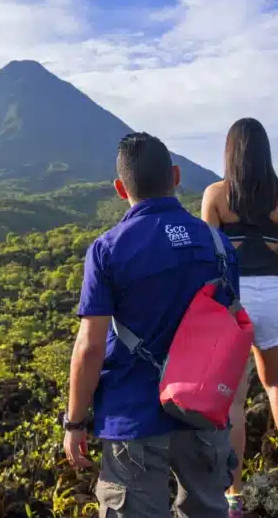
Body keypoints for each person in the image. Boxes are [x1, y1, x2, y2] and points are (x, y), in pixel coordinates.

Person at [63, 132, 240, 517]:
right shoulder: (217, 244)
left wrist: (75, 421)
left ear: (119, 188)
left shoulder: (108, 248)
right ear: (176, 176)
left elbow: (89, 346)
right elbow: (232, 333)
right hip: (204, 414)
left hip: (133, 414)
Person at [201, 117, 278, 518]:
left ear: (231, 151)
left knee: (232, 398)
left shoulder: (216, 195)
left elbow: (209, 260)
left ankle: (234, 495)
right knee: (276, 382)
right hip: (271, 292)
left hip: (232, 297)